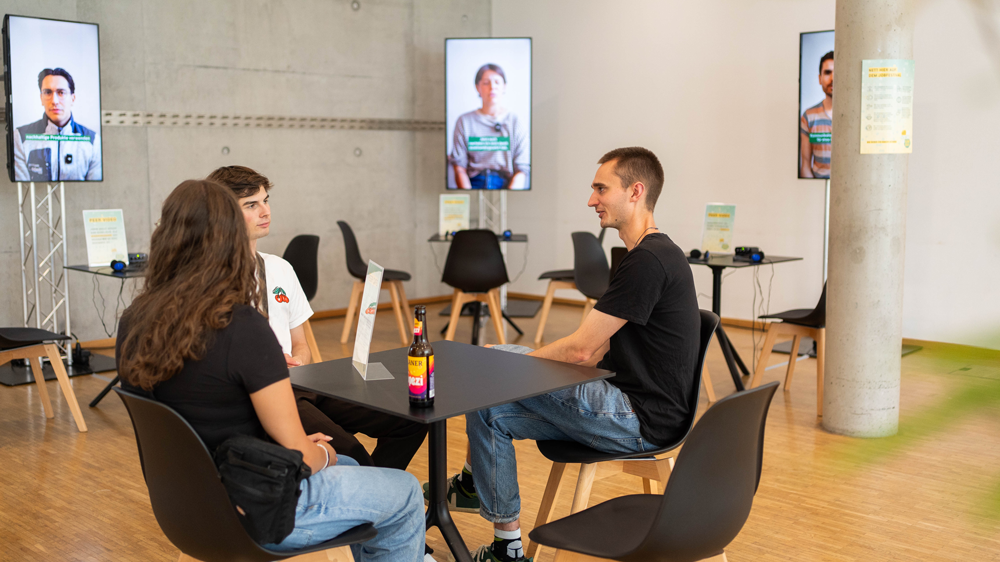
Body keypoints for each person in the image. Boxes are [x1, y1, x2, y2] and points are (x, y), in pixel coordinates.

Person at [115, 179, 425, 562]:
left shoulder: (134, 321)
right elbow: (303, 456)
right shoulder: (241, 326)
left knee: (352, 464)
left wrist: (306, 450)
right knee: (405, 491)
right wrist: (319, 452)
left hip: (186, 508)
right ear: (231, 241)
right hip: (260, 508)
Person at [440, 147, 700, 562]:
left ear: (635, 192)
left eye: (601, 189)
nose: (591, 200)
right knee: (489, 410)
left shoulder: (648, 261)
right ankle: (507, 548)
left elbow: (581, 351)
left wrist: (510, 368)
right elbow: (597, 353)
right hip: (637, 406)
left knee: (492, 362)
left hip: (635, 416)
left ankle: (470, 485)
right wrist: (513, 370)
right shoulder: (654, 253)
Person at [206, 165, 428, 470]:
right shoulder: (208, 281)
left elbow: (301, 343)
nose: (265, 211)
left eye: (266, 201)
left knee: (411, 420)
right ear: (224, 212)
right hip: (263, 394)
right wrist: (265, 366)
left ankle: (378, 491)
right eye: (251, 205)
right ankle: (372, 489)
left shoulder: (280, 268)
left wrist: (297, 359)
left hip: (299, 383)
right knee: (352, 453)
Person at [449, 63, 530, 190]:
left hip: (506, 184)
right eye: (486, 83)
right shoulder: (464, 121)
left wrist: (512, 196)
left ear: (504, 86)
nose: (492, 87)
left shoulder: (515, 121)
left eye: (497, 82)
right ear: (477, 87)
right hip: (473, 182)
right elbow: (459, 167)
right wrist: (469, 195)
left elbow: (522, 170)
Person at [13, 68, 102, 181]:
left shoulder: (93, 141)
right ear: (41, 98)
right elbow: (21, 183)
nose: (54, 101)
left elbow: (94, 187)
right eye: (47, 92)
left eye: (61, 93)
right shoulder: (20, 137)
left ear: (73, 98)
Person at [800, 51, 834, 179]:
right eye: (827, 72)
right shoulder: (809, 116)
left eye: (837, 72)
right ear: (820, 78)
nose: (833, 78)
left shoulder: (856, 117)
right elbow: (805, 167)